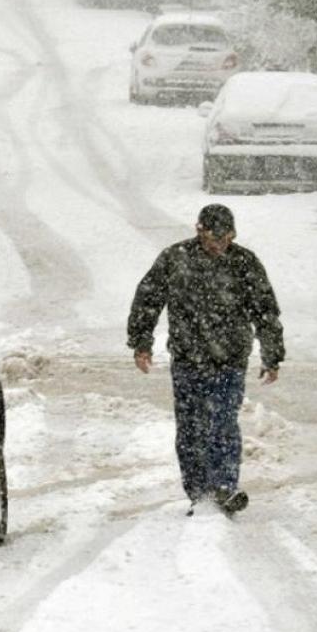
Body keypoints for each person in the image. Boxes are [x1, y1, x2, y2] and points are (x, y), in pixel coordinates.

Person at [126, 204, 284, 516]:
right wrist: (141, 343)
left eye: (227, 238)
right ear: (200, 231)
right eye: (214, 239)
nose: (220, 245)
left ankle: (224, 486)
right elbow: (148, 299)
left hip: (230, 360)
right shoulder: (176, 259)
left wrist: (272, 354)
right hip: (188, 360)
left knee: (223, 421)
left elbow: (265, 310)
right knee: (190, 428)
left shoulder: (244, 263)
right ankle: (199, 492)